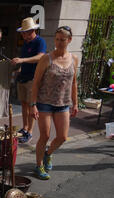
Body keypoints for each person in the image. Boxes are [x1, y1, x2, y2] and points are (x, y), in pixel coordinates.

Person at [30, 26, 79, 180]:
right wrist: (33, 104)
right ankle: (39, 166)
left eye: (62, 40)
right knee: (44, 136)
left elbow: (74, 83)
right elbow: (36, 82)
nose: (59, 42)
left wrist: (75, 103)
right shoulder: (47, 58)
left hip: (63, 103)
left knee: (63, 137)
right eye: (57, 39)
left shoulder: (74, 59)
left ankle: (48, 154)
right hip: (44, 102)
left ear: (69, 40)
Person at [11, 17, 47, 143]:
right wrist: (18, 68)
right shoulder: (26, 44)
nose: (23, 35)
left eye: (24, 33)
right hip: (23, 77)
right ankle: (25, 128)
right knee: (24, 104)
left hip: (33, 78)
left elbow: (40, 57)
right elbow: (25, 60)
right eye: (22, 33)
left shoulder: (40, 41)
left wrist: (22, 60)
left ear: (31, 31)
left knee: (32, 106)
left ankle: (30, 132)